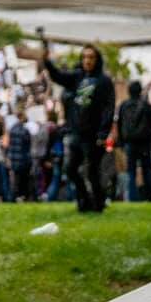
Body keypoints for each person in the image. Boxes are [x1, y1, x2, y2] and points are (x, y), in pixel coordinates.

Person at [40, 36, 114, 214]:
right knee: (70, 169)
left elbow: (108, 109)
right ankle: (85, 200)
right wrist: (47, 61)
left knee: (92, 172)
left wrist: (103, 134)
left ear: (97, 60)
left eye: (91, 57)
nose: (87, 61)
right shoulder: (77, 77)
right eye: (85, 57)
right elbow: (58, 76)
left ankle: (97, 205)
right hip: (76, 133)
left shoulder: (103, 81)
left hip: (93, 134)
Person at [116, 79, 151, 202]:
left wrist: (121, 142)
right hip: (144, 143)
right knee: (147, 170)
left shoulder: (123, 106)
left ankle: (132, 197)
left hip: (130, 143)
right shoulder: (147, 106)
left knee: (131, 172)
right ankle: (149, 197)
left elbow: (119, 124)